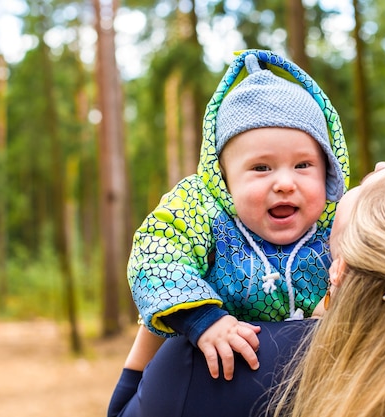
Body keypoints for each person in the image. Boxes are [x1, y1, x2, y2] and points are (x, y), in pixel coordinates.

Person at [108, 160, 385, 417]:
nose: (380, 167)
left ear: (340, 269)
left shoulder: (220, 360)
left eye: (368, 185)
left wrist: (174, 292)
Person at [125, 48, 350, 384]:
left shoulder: (340, 223)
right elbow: (156, 254)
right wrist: (203, 318)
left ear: (328, 170)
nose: (285, 183)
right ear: (224, 180)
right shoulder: (204, 214)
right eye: (261, 168)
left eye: (303, 165)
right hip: (225, 382)